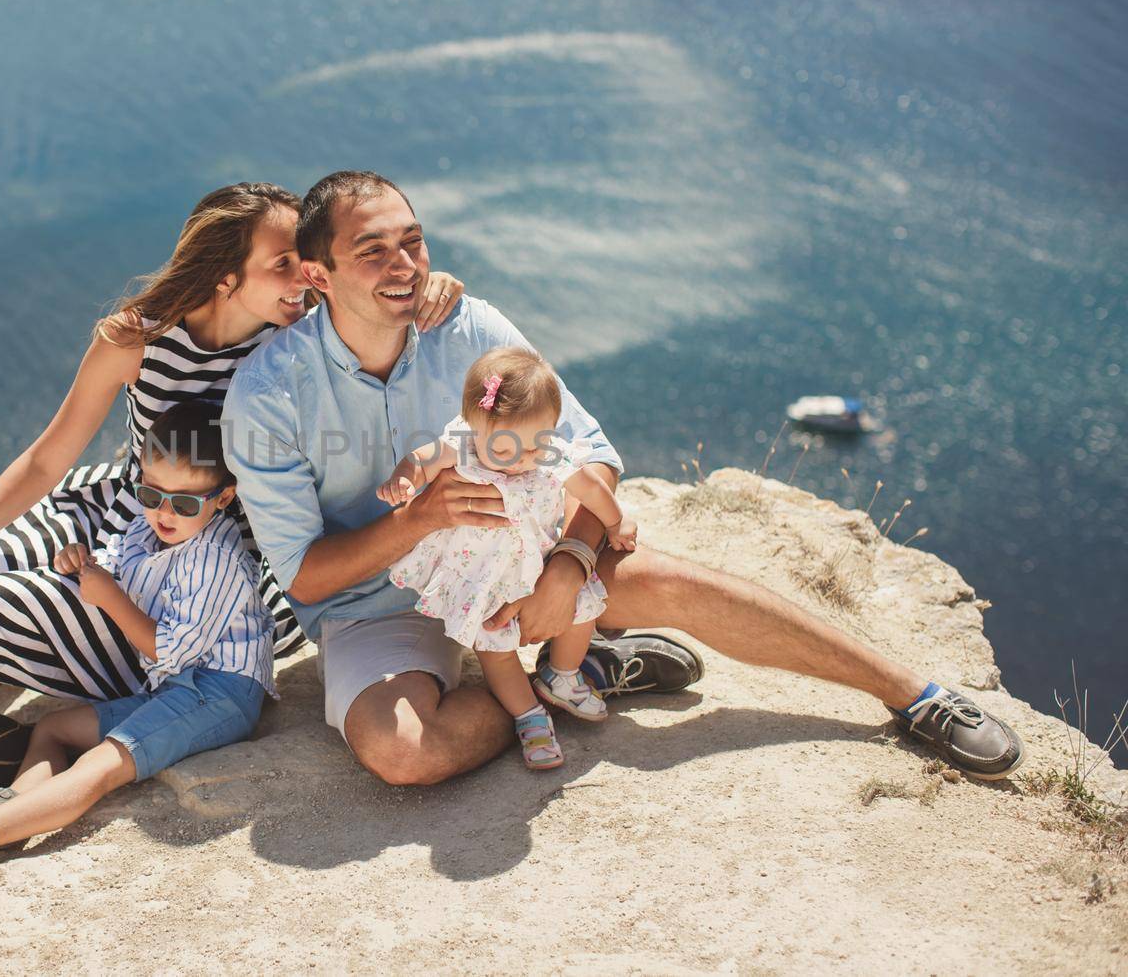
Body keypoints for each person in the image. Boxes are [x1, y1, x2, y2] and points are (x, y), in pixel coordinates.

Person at [222, 169, 1025, 786]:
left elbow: (592, 450)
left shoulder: (468, 324)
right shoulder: (268, 392)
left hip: (522, 563)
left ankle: (915, 694)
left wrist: (570, 563)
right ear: (319, 276)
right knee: (403, 755)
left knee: (676, 582)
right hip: (380, 609)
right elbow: (304, 573)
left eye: (414, 241)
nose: (405, 265)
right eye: (374, 251)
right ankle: (566, 682)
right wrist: (419, 518)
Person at [0, 182, 466, 759]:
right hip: (121, 506)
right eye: (284, 264)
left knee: (28, 606)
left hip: (222, 555)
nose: (305, 279)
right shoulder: (134, 338)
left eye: (306, 262)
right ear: (225, 275)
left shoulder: (304, 330)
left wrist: (432, 287)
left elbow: (384, 304)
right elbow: (46, 457)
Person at [0, 403, 275, 877]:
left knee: (104, 762)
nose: (163, 512)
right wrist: (81, 561)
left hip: (219, 692)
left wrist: (110, 597)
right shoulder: (147, 525)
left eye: (185, 503)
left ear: (222, 498)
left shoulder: (215, 557)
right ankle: (11, 810)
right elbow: (114, 559)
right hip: (173, 687)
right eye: (151, 494)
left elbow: (170, 650)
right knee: (55, 728)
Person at [378, 346, 638, 769]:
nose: (521, 461)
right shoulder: (463, 444)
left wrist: (615, 523)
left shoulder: (549, 451)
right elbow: (424, 458)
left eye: (534, 449)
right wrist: (405, 477)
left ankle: (563, 675)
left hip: (537, 562)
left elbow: (590, 488)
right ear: (474, 427)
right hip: (483, 574)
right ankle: (528, 717)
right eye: (504, 451)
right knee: (495, 648)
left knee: (582, 607)